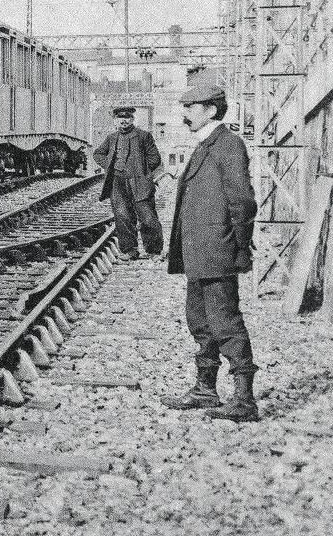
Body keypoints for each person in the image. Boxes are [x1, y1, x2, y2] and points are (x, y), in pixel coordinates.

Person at [161, 84, 259, 422]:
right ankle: (205, 389)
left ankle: (244, 400)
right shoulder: (207, 144)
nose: (184, 112)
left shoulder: (227, 144)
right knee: (200, 321)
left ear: (212, 110)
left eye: (191, 106)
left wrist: (239, 246)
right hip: (200, 253)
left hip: (216, 251)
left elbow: (243, 201)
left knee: (226, 323)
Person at [92, 106, 165, 260]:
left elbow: (155, 158)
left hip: (139, 182)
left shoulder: (144, 136)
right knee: (122, 216)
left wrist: (143, 172)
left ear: (132, 119)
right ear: (115, 120)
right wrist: (109, 165)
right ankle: (130, 250)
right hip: (117, 182)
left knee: (147, 216)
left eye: (127, 118)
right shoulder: (111, 138)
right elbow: (97, 153)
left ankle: (154, 251)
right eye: (120, 118)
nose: (123, 121)